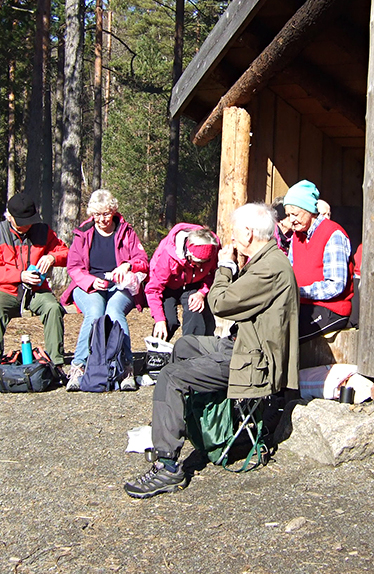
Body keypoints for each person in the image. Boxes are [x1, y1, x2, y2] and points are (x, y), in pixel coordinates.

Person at [124, 203, 299, 499]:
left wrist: (225, 266)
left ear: (248, 232)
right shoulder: (265, 259)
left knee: (170, 376)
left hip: (252, 361)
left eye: (234, 231)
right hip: (243, 345)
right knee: (184, 345)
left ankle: (168, 467)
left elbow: (220, 303)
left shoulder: (269, 268)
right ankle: (197, 426)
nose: (231, 238)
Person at [62, 189, 149, 391]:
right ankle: (78, 367)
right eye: (97, 215)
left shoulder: (127, 232)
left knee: (114, 312)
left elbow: (143, 261)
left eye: (106, 214)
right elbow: (73, 267)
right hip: (88, 285)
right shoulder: (82, 233)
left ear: (114, 211)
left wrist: (127, 266)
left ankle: (127, 367)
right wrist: (91, 281)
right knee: (94, 312)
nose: (102, 219)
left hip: (120, 285)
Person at [0, 191, 69, 370]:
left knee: (53, 308)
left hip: (37, 290)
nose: (26, 226)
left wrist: (52, 257)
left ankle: (56, 365)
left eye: (29, 221)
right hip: (6, 290)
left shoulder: (43, 230)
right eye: (21, 222)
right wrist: (19, 276)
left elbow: (66, 253)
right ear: (10, 217)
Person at [283, 179, 354, 341]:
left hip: (331, 309)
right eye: (288, 215)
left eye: (295, 213)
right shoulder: (297, 236)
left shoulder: (332, 234)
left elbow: (335, 285)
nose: (291, 219)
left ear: (309, 209)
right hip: (303, 305)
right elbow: (291, 269)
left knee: (287, 336)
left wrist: (298, 291)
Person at [145, 224, 220, 341]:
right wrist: (159, 319)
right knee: (168, 322)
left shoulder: (213, 249)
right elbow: (153, 289)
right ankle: (156, 352)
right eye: (196, 262)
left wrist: (202, 292)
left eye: (204, 262)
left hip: (194, 284)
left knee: (196, 311)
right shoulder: (168, 256)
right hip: (167, 286)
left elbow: (213, 275)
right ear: (188, 253)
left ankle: (192, 351)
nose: (200, 265)